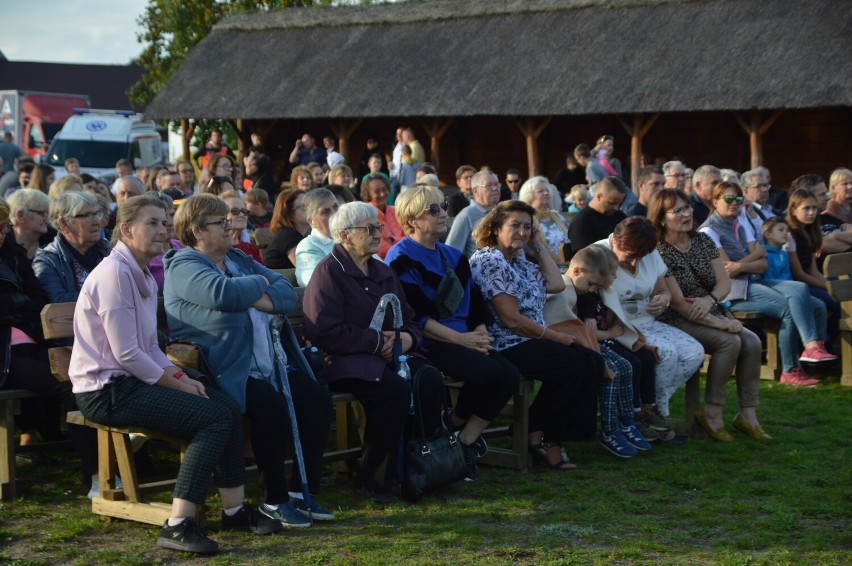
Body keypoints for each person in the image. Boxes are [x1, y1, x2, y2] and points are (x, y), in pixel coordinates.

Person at [71, 194, 279, 553]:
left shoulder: (143, 274)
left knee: (226, 405)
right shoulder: (114, 275)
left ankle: (234, 511)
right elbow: (127, 353)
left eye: (165, 221)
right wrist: (176, 384)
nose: (164, 228)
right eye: (152, 222)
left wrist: (181, 379)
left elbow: (150, 347)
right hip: (105, 391)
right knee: (213, 416)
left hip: (132, 381)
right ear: (125, 229)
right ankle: (178, 523)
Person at [165, 193, 334, 527]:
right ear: (198, 231)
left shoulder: (237, 260)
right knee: (271, 407)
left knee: (315, 399)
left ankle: (302, 492)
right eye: (221, 222)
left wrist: (255, 291)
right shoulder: (184, 264)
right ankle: (275, 499)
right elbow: (222, 294)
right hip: (223, 368)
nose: (231, 227)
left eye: (230, 221)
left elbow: (285, 292)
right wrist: (261, 284)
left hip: (268, 361)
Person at [303, 201, 444, 503]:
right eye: (367, 229)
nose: (377, 233)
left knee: (429, 379)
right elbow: (323, 331)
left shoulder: (382, 271)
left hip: (391, 354)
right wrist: (376, 341)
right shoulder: (329, 272)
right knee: (391, 391)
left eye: (378, 227)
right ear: (344, 235)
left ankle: (421, 468)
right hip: (345, 360)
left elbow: (408, 317)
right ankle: (374, 481)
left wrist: (407, 338)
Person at [386, 186, 519, 479]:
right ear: (413, 221)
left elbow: (474, 304)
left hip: (466, 337)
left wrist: (480, 333)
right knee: (488, 373)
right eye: (433, 210)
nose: (443, 213)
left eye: (442, 205)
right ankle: (455, 434)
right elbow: (416, 316)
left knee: (510, 375)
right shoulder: (400, 257)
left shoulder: (454, 256)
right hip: (430, 342)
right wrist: (463, 339)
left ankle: (463, 439)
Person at [470, 200, 603, 470]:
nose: (521, 232)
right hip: (505, 341)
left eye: (527, 227)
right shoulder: (491, 260)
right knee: (575, 364)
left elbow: (556, 284)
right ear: (496, 228)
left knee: (593, 362)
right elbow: (511, 319)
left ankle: (540, 428)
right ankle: (545, 436)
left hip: (531, 337)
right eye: (515, 225)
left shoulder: (518, 259)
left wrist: (537, 244)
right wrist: (555, 337)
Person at [650, 188, 770, 442]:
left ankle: (747, 415)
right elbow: (680, 304)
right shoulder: (659, 251)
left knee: (753, 342)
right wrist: (722, 324)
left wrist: (709, 300)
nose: (686, 214)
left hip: (710, 306)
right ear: (661, 219)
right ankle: (712, 412)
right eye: (677, 211)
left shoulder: (703, 241)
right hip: (676, 316)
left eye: (687, 208)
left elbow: (724, 283)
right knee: (730, 342)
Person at [0, 196, 98, 489]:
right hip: (6, 356)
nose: (3, 233)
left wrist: (13, 304)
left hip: (30, 343)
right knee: (70, 388)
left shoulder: (11, 254)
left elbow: (39, 300)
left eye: (4, 227)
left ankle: (113, 467)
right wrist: (17, 304)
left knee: (86, 381)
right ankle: (96, 476)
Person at [699, 181, 832, 387]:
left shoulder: (739, 225)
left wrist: (742, 264)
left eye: (739, 198)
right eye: (728, 199)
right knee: (789, 306)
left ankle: (812, 348)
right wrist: (751, 260)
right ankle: (790, 369)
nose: (735, 203)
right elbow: (726, 271)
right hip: (730, 293)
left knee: (805, 293)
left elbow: (762, 263)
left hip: (751, 283)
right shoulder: (708, 231)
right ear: (715, 201)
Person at [543, 246, 651, 458]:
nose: (592, 289)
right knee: (611, 370)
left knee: (627, 366)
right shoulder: (564, 291)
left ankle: (626, 421)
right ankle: (609, 429)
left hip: (585, 345)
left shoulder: (580, 290)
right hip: (569, 348)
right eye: (591, 284)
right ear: (576, 271)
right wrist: (608, 335)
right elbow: (561, 325)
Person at [596, 216, 706, 418]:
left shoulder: (651, 253)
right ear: (616, 242)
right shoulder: (598, 254)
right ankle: (653, 411)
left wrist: (663, 299)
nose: (635, 262)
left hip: (648, 320)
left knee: (694, 352)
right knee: (667, 354)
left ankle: (654, 406)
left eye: (641, 257)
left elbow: (663, 290)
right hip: (619, 325)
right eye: (629, 256)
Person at [784, 190, 840, 350]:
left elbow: (812, 269)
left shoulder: (809, 230)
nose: (811, 213)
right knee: (836, 303)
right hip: (796, 285)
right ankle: (822, 345)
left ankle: (828, 344)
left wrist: (829, 284)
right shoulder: (788, 232)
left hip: (810, 281)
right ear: (794, 210)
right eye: (806, 208)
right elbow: (799, 274)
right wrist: (828, 287)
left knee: (844, 295)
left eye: (814, 208)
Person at [33, 192, 111, 302]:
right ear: (64, 223)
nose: (97, 222)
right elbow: (59, 300)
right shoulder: (48, 260)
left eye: (97, 213)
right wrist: (110, 295)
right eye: (87, 215)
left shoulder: (110, 251)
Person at [446, 170, 501, 258]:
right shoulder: (466, 216)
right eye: (489, 185)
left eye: (496, 184)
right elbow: (450, 254)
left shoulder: (503, 213)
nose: (495, 188)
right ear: (475, 191)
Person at [518, 176, 570, 264]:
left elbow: (571, 238)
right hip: (545, 269)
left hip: (569, 266)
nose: (546, 193)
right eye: (540, 191)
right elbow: (531, 250)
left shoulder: (558, 216)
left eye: (547, 190)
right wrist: (562, 261)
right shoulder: (526, 220)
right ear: (529, 196)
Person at [568, 175, 627, 252]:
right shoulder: (581, 223)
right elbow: (585, 259)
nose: (616, 208)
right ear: (599, 197)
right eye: (612, 203)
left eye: (619, 203)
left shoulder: (620, 217)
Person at [294, 188, 339, 286]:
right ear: (311, 221)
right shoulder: (308, 247)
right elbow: (317, 284)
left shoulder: (352, 237)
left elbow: (379, 269)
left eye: (336, 207)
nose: (335, 214)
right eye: (325, 212)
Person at [361, 173, 404, 259]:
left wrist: (391, 239)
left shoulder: (396, 211)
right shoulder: (366, 215)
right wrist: (401, 243)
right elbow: (380, 247)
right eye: (377, 191)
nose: (382, 194)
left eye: (384, 189)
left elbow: (410, 236)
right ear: (368, 194)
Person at [265, 189, 308, 269]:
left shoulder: (297, 235)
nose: (310, 209)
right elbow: (307, 270)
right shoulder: (288, 237)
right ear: (288, 212)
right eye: (303, 206)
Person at [6, 188, 53, 259]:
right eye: (41, 213)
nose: (46, 218)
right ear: (21, 216)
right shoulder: (3, 245)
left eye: (47, 213)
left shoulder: (53, 240)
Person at [220, 191, 263, 263]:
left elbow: (262, 273)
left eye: (244, 211)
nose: (242, 215)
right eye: (235, 211)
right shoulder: (215, 250)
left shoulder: (251, 248)